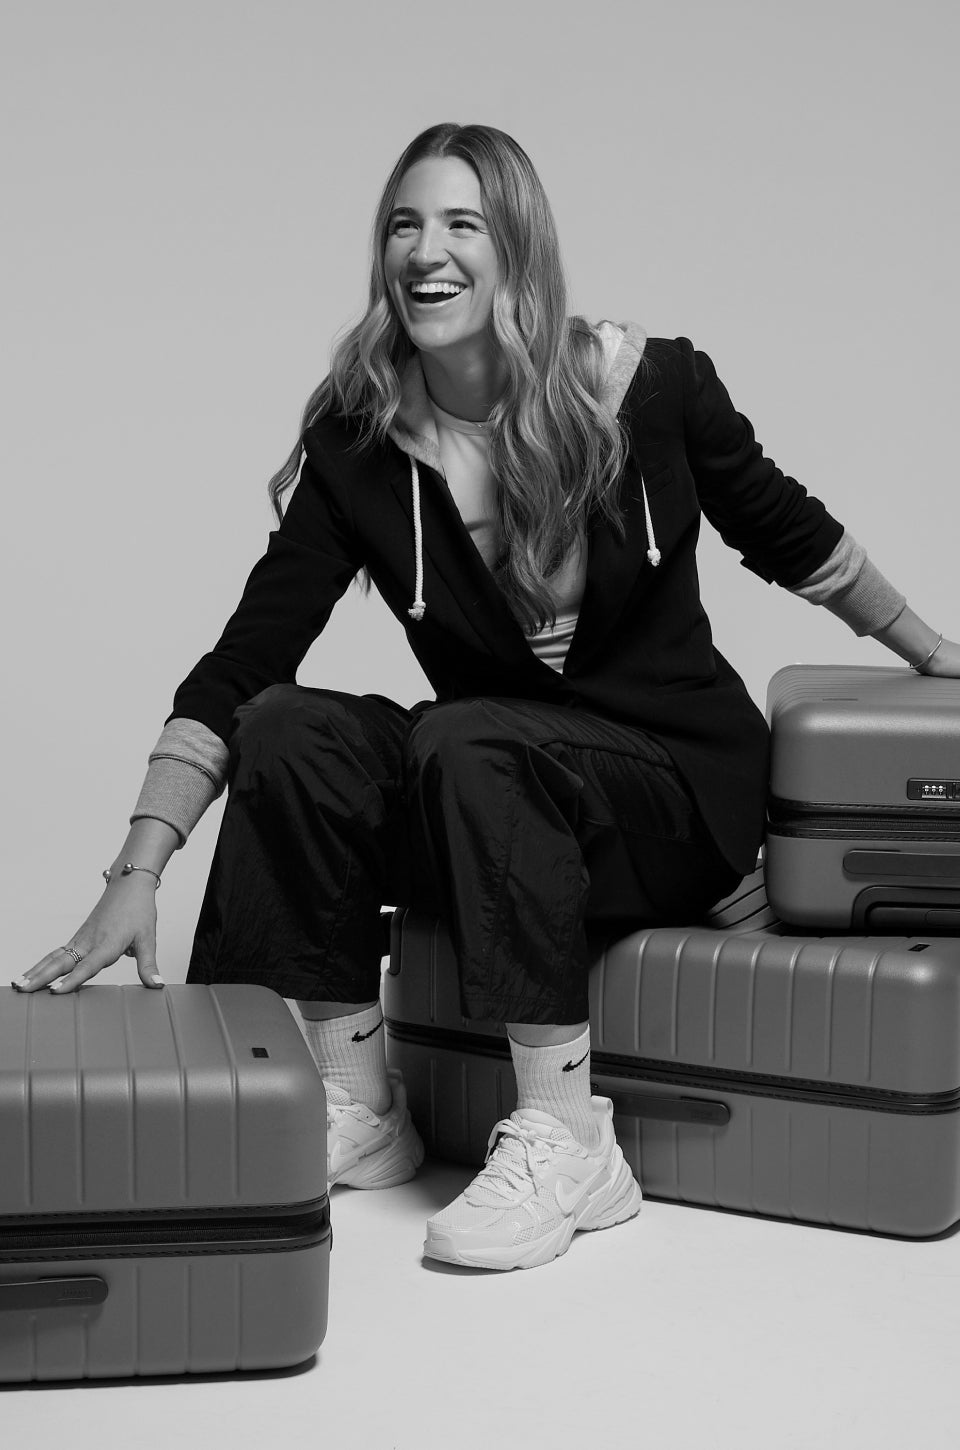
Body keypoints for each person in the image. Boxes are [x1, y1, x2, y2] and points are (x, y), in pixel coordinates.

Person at [12, 123, 960, 1272]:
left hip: (672, 796)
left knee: (470, 740)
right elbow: (246, 655)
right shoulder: (362, 444)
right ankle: (359, 1105)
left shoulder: (647, 389)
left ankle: (569, 1135)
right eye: (404, 224)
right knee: (290, 726)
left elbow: (789, 529)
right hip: (496, 788)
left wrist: (935, 652)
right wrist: (138, 869)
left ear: (516, 249)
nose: (427, 250)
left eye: (462, 223)